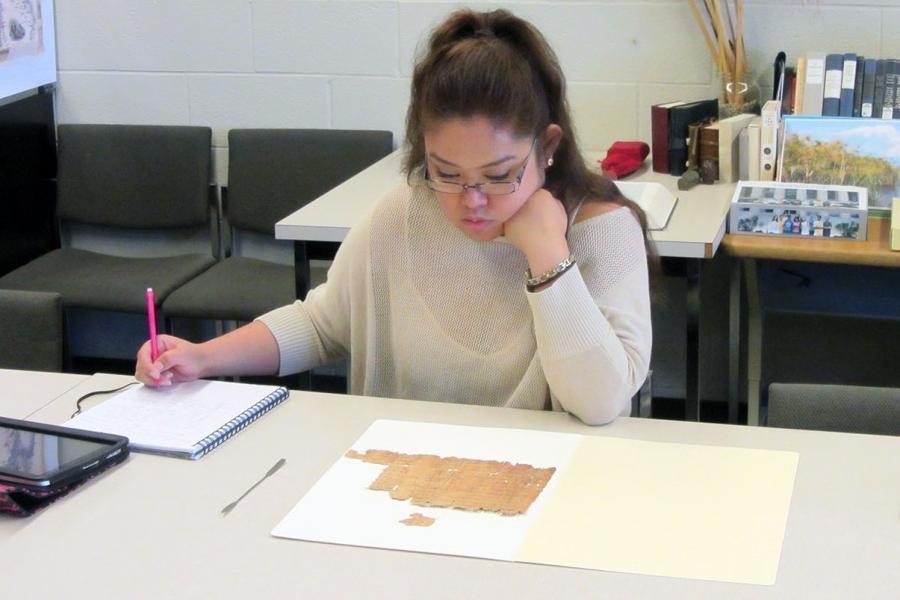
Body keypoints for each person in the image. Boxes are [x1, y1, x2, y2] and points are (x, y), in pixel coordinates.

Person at [135, 8, 653, 425]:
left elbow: (600, 403)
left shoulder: (601, 231)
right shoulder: (405, 212)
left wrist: (549, 256)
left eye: (498, 176)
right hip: (404, 477)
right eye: (446, 172)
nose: (471, 200)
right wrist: (202, 357)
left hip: (543, 485)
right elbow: (321, 324)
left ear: (548, 147)